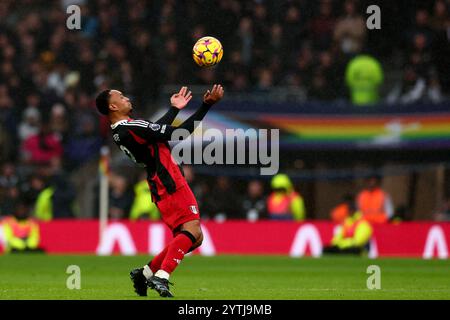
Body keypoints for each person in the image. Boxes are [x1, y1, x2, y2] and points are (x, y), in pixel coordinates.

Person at [95, 84, 224, 298]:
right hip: (169, 180)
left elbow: (155, 133)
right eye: (122, 96)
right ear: (113, 105)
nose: (127, 98)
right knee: (192, 230)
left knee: (194, 237)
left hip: (159, 181)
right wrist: (206, 105)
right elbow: (179, 133)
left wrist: (174, 110)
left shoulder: (121, 131)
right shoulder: (131, 126)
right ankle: (162, 276)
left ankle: (144, 274)